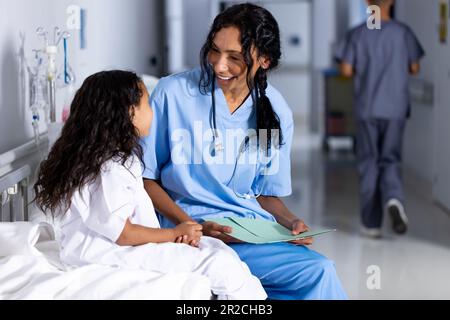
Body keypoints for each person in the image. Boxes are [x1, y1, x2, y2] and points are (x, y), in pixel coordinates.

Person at [141, 3, 347, 300]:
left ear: (264, 60)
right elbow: (147, 179)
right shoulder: (172, 94)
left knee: (320, 270)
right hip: (188, 233)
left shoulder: (275, 111)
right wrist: (192, 224)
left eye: (234, 58)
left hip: (248, 235)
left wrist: (290, 223)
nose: (219, 65)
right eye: (214, 50)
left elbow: (263, 193)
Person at [33, 70, 267, 300]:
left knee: (216, 251)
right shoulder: (110, 168)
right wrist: (173, 233)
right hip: (106, 252)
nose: (152, 112)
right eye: (147, 104)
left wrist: (176, 234)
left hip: (118, 246)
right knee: (219, 263)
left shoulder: (111, 160)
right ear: (129, 112)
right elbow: (122, 234)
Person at [335, 0, 425, 238]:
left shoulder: (357, 34)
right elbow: (414, 67)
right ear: (391, 2)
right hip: (394, 108)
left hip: (367, 109)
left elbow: (345, 70)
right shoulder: (403, 32)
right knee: (390, 159)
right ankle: (394, 199)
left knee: (369, 163)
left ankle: (371, 224)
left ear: (367, 3)